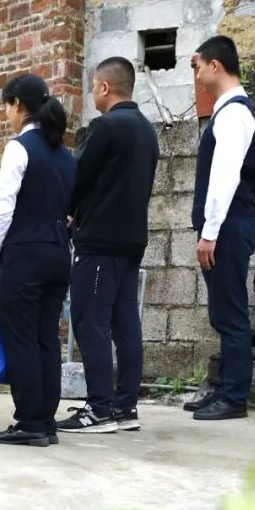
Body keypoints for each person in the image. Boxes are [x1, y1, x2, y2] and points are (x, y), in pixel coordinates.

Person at [58, 58, 159, 435]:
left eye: (93, 87)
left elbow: (78, 178)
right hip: (132, 241)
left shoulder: (105, 127)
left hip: (100, 242)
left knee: (90, 320)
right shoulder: (147, 131)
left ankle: (99, 408)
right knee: (125, 323)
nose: (92, 94)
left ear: (104, 87)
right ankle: (125, 407)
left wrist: (68, 212)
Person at [0, 74, 75, 447]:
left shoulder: (19, 148)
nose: (6, 114)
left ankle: (29, 422)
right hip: (59, 251)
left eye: (6, 107)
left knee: (20, 337)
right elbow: (73, 209)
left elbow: (3, 206)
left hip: (25, 251)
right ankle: (46, 420)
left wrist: (0, 249)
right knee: (46, 337)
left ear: (18, 105)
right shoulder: (65, 155)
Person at [185, 35, 255, 421]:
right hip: (227, 225)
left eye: (199, 67)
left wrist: (210, 232)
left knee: (230, 313)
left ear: (215, 65)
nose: (197, 75)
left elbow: (226, 176)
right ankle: (224, 389)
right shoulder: (227, 111)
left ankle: (233, 397)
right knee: (222, 311)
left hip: (229, 225)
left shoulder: (233, 113)